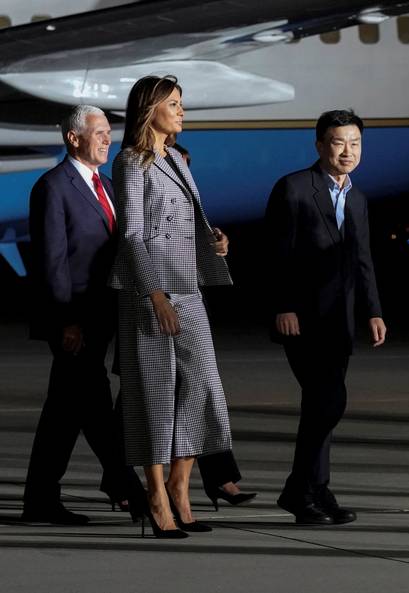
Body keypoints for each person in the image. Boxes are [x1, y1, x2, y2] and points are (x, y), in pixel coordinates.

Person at [109, 75, 234, 538]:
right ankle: (157, 497)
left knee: (204, 386)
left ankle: (182, 485)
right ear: (149, 109)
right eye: (174, 104)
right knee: (155, 395)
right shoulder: (130, 162)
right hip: (150, 292)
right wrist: (154, 294)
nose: (182, 111)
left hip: (190, 287)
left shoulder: (179, 159)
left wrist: (214, 240)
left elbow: (186, 218)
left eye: (182, 104)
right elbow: (133, 235)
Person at [22, 105, 143, 525]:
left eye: (109, 132)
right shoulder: (54, 186)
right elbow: (52, 262)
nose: (108, 139)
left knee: (65, 412)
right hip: (74, 321)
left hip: (102, 316)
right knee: (91, 407)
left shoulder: (105, 185)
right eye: (99, 132)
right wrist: (65, 322)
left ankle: (40, 498)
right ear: (73, 138)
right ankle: (132, 490)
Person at [265, 109, 386, 526]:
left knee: (322, 406)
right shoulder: (295, 189)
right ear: (320, 146)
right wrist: (283, 305)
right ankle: (301, 489)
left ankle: (314, 490)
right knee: (328, 400)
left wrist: (373, 311)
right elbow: (276, 254)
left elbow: (363, 260)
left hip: (341, 319)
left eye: (355, 143)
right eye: (339, 142)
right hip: (302, 316)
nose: (347, 151)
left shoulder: (358, 197)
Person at [172, 143, 257, 510]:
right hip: (155, 306)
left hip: (188, 307)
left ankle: (219, 477)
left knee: (201, 394)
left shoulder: (191, 204)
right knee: (138, 403)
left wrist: (217, 245)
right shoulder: (143, 196)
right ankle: (125, 481)